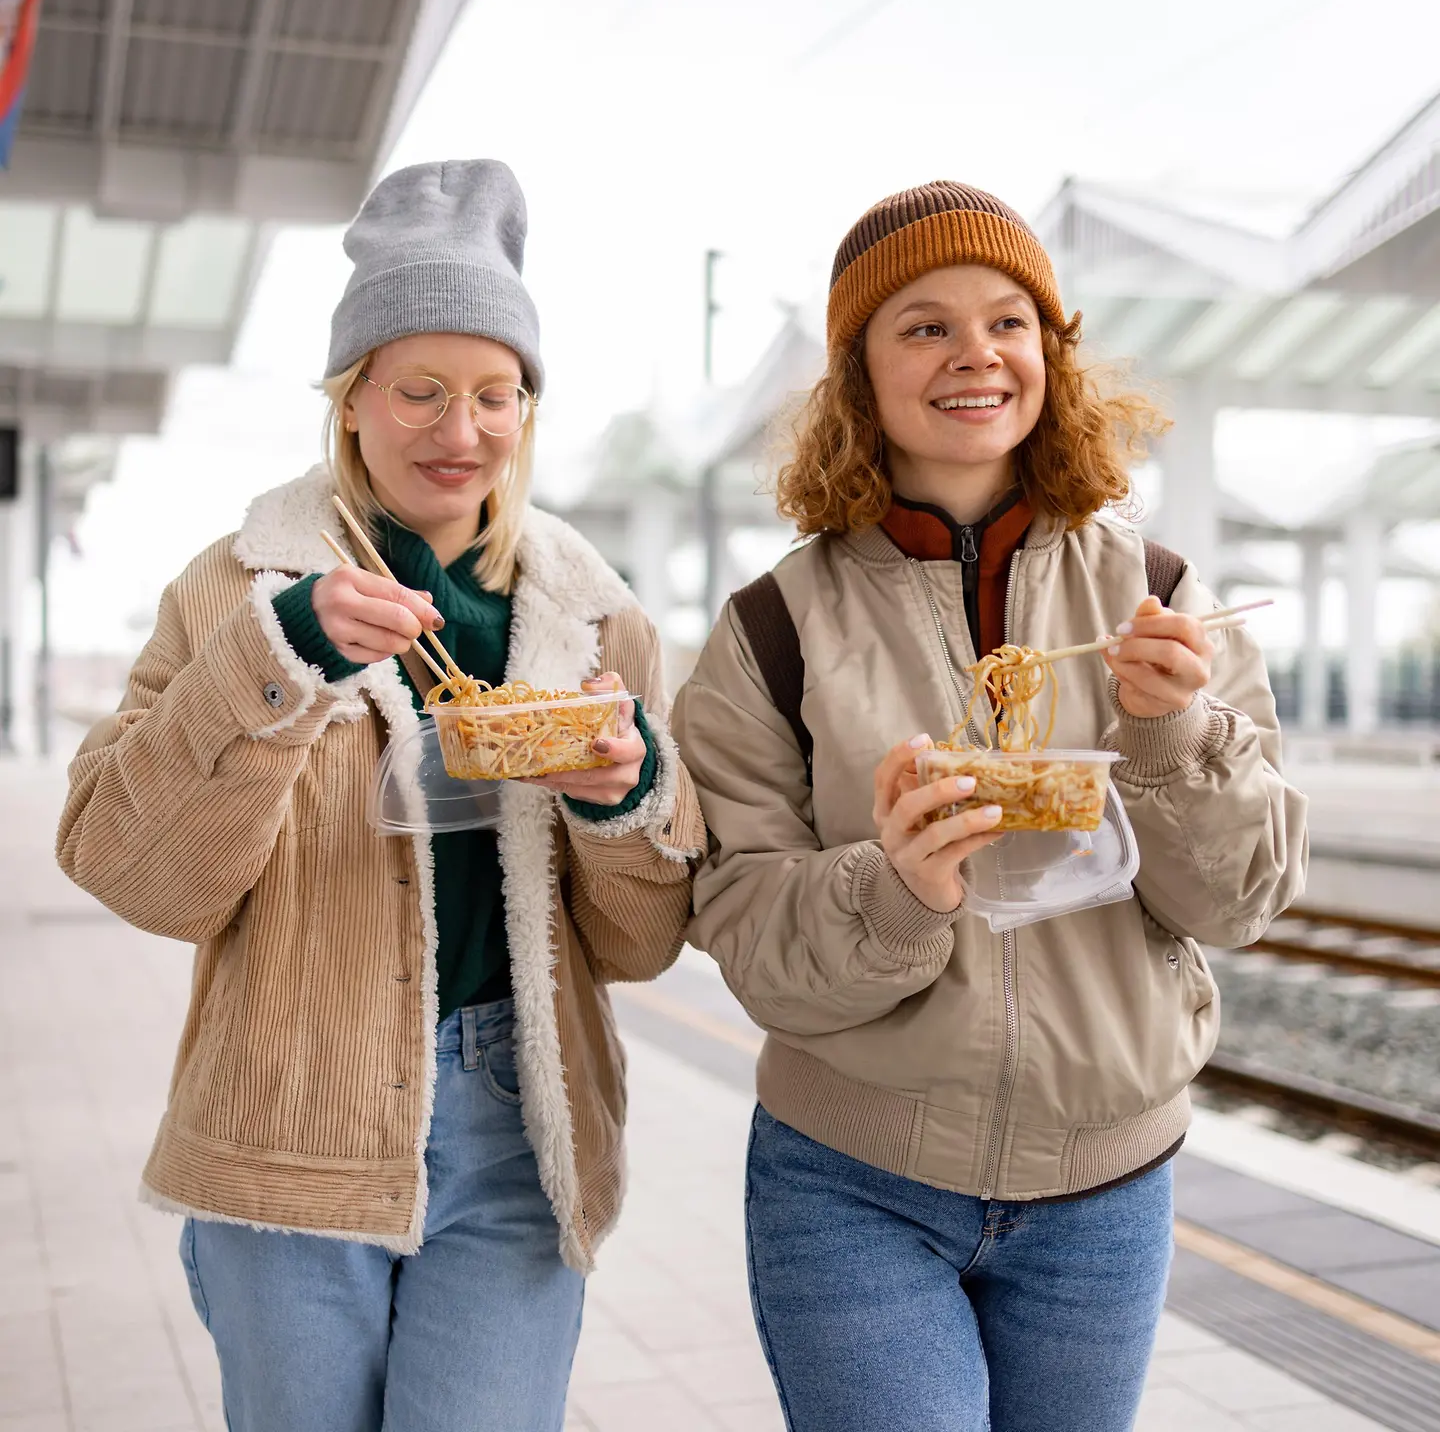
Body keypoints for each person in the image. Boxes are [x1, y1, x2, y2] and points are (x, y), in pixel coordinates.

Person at [56, 159, 703, 1432]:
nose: (458, 433)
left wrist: (627, 798)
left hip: (525, 1126)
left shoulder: (591, 613)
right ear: (351, 401)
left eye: (493, 395)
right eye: (418, 391)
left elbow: (640, 940)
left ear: (527, 408)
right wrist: (276, 657)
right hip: (292, 1108)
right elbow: (131, 870)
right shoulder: (239, 585)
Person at [672, 181, 1308, 1432]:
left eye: (1009, 321)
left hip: (1110, 1185)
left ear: (1049, 357)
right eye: (924, 326)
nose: (976, 355)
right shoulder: (771, 629)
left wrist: (1171, 736)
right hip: (852, 1184)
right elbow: (741, 927)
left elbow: (1241, 903)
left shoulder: (1159, 594)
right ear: (858, 372)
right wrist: (894, 889)